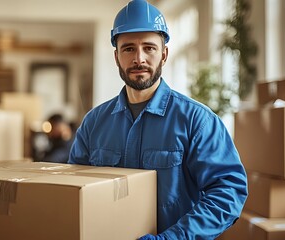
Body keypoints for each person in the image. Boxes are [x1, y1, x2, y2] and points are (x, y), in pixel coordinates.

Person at [68, 0, 248, 239]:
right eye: (129, 48)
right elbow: (74, 190)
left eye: (149, 48)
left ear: (164, 55)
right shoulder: (93, 124)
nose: (139, 59)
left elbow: (229, 191)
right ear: (116, 57)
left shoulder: (197, 120)